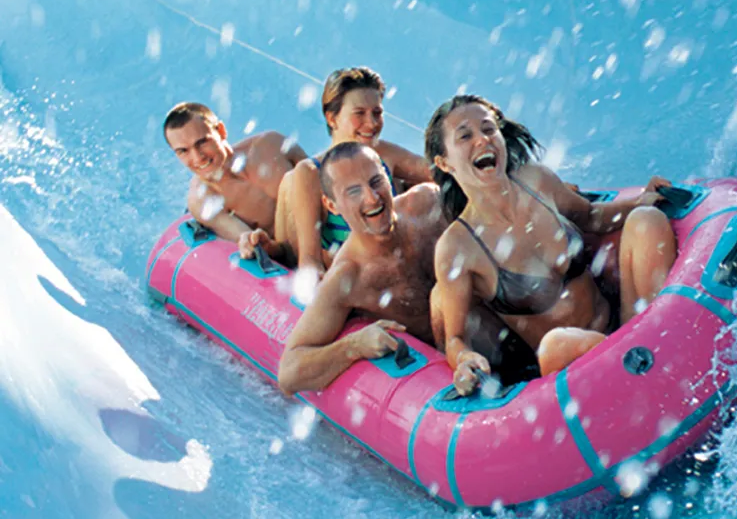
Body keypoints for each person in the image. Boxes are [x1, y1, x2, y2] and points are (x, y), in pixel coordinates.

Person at [425, 94, 678, 395]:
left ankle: (662, 343)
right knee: (555, 343)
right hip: (567, 365)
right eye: (465, 136)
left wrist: (640, 199)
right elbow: (454, 337)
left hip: (626, 325)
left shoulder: (536, 180)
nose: (482, 140)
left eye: (488, 129)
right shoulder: (458, 247)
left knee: (647, 220)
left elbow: (591, 217)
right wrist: (464, 358)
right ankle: (651, 365)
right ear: (444, 163)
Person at [276, 142, 536, 394]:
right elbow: (289, 372)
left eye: (376, 181)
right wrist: (354, 346)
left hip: (517, 330)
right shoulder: (348, 277)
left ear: (388, 178)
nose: (372, 197)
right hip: (469, 365)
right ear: (332, 205)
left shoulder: (428, 204)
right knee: (442, 298)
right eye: (354, 191)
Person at [241, 67, 432, 275]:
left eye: (377, 113)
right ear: (332, 118)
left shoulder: (383, 152)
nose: (372, 123)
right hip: (356, 279)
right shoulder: (311, 173)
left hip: (398, 265)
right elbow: (309, 260)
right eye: (359, 113)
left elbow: (440, 173)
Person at [163, 102, 307, 243]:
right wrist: (252, 243)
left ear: (221, 131)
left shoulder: (272, 145)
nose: (197, 157)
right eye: (183, 151)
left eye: (202, 142)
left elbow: (321, 178)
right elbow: (259, 247)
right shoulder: (203, 201)